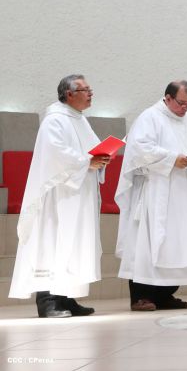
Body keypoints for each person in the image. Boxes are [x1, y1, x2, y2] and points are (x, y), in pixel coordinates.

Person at [9, 75, 109, 318]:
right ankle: (48, 301)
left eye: (90, 89)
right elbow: (55, 155)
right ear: (68, 94)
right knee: (54, 241)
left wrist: (103, 158)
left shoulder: (80, 120)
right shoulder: (54, 120)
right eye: (85, 89)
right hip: (58, 197)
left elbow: (92, 151)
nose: (90, 93)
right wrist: (89, 160)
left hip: (78, 195)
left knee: (74, 243)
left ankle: (67, 297)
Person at [115, 80, 187, 311]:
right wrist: (172, 158)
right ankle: (141, 296)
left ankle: (165, 294)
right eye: (181, 103)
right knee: (150, 242)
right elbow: (139, 148)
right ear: (168, 97)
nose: (185, 108)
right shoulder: (149, 117)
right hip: (158, 191)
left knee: (180, 243)